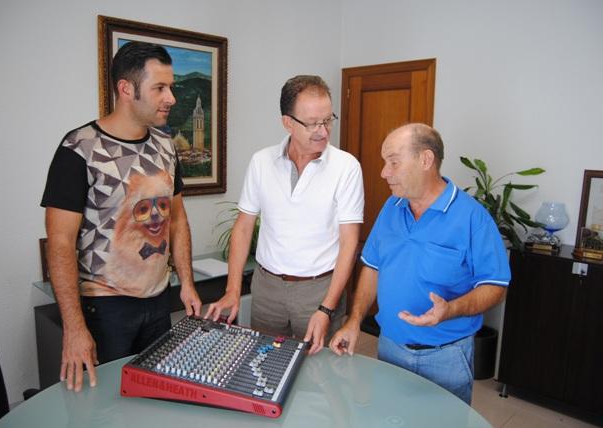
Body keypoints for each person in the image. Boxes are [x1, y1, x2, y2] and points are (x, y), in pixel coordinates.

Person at [41, 42, 202, 392]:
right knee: (104, 405)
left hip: (158, 301)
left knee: (155, 396)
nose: (171, 98)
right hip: (105, 308)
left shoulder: (166, 146)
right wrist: (74, 328)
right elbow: (60, 243)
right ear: (126, 89)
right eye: (160, 88)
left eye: (171, 87)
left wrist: (187, 282)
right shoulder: (78, 149)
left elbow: (177, 220)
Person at [329, 123, 510, 404]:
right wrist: (354, 321)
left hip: (446, 356)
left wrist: (450, 310)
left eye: (393, 162)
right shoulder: (392, 207)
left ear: (426, 159)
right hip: (390, 348)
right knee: (389, 418)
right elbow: (373, 267)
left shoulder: (473, 218)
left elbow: (496, 287)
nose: (384, 172)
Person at [205, 75, 364, 354]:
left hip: (319, 289)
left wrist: (327, 308)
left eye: (328, 120)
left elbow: (349, 243)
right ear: (288, 122)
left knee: (319, 370)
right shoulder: (261, 161)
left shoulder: (346, 167)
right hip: (267, 288)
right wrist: (232, 290)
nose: (323, 131)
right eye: (312, 123)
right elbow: (243, 227)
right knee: (264, 361)